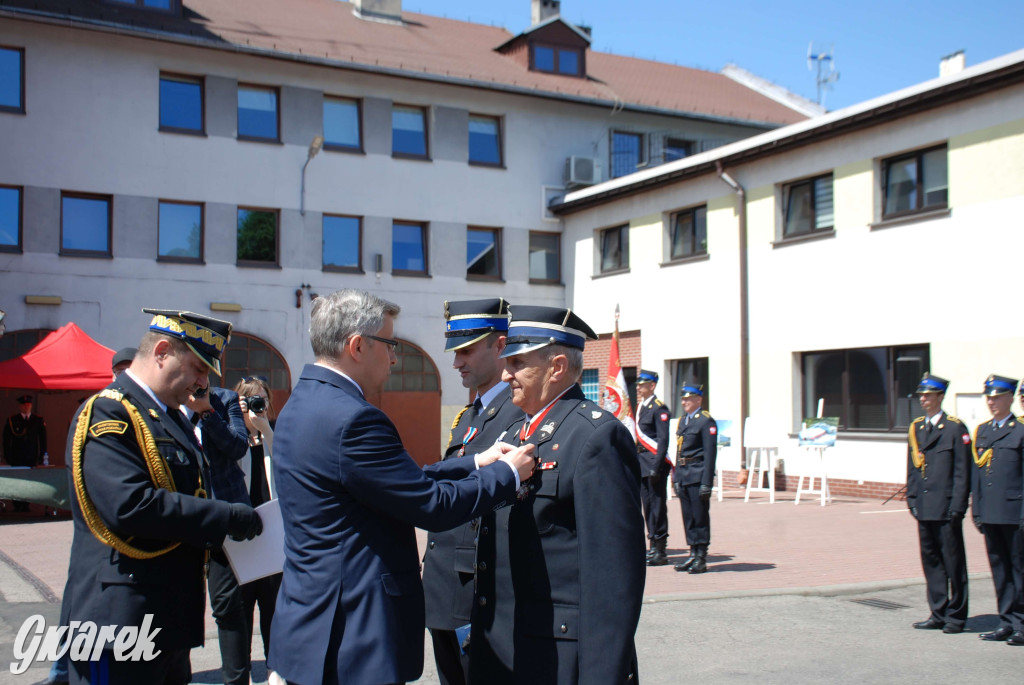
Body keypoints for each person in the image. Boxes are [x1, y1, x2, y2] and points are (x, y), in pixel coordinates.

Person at [267, 289, 536, 685]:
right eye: (389, 344)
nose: (394, 356)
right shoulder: (354, 419)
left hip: (312, 621)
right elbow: (430, 505)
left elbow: (386, 484)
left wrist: (473, 462)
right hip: (352, 634)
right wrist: (508, 474)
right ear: (358, 346)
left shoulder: (303, 402)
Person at [61, 309, 263, 685]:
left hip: (166, 622)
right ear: (162, 351)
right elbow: (130, 506)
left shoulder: (168, 415)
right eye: (198, 369)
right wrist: (226, 517)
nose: (203, 382)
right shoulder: (110, 410)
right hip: (119, 623)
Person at [470, 305, 645, 684]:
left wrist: (601, 675)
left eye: (517, 363)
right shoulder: (516, 432)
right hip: (504, 648)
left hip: (557, 657)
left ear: (558, 366)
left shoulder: (595, 437)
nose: (505, 374)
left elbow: (613, 577)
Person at [423, 298, 522, 685]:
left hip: (477, 590)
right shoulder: (468, 415)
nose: (456, 362)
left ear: (500, 345)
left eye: (466, 350)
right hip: (445, 587)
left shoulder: (517, 413)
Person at [183, 379, 254, 685]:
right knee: (181, 605)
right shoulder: (169, 404)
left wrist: (208, 413)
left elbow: (238, 446)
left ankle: (236, 680)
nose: (199, 380)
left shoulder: (225, 400)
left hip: (224, 519)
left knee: (228, 607)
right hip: (184, 520)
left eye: (206, 372)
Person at [906, 374, 971, 634]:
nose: (923, 399)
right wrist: (912, 498)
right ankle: (938, 612)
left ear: (940, 397)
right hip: (925, 505)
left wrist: (958, 506)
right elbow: (912, 467)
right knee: (931, 562)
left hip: (946, 508)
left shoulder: (955, 428)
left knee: (954, 563)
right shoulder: (917, 428)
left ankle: (956, 616)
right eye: (921, 395)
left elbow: (962, 472)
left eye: (928, 395)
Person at [234, 374, 283, 682]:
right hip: (240, 541)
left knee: (274, 613)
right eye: (248, 400)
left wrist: (265, 428)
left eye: (260, 400)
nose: (254, 406)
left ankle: (274, 671)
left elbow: (288, 466)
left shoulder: (276, 433)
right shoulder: (230, 436)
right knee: (239, 616)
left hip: (274, 540)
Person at [971, 374, 1024, 646]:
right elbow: (978, 475)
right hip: (991, 512)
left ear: (1010, 398)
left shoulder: (1020, 430)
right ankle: (1006, 622)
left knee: (1019, 571)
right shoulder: (983, 431)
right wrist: (977, 508)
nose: (992, 402)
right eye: (989, 398)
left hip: (1014, 513)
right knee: (1000, 570)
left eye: (997, 397)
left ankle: (1022, 625)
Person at [672, 382, 717, 574]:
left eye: (688, 399)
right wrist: (675, 477)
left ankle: (701, 556)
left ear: (698, 399)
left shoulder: (706, 421)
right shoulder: (684, 421)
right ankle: (692, 553)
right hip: (684, 474)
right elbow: (679, 449)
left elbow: (710, 454)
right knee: (688, 517)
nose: (684, 402)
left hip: (698, 475)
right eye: (682, 399)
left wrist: (707, 483)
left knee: (699, 516)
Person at [635, 369, 672, 566]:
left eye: (643, 384)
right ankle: (653, 546)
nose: (639, 387)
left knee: (657, 506)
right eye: (639, 384)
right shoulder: (642, 406)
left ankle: (661, 548)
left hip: (654, 465)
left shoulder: (659, 408)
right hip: (642, 463)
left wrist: (657, 467)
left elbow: (663, 439)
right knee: (647, 507)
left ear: (652, 385)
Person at [3, 394, 48, 511]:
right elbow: (6, 441)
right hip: (16, 457)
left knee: (29, 481)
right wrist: (8, 457)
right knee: (16, 481)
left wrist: (42, 456)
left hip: (31, 456)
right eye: (24, 405)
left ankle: (27, 504)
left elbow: (43, 440)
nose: (26, 407)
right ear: (20, 406)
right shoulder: (12, 420)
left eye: (28, 404)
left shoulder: (37, 420)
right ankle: (17, 504)